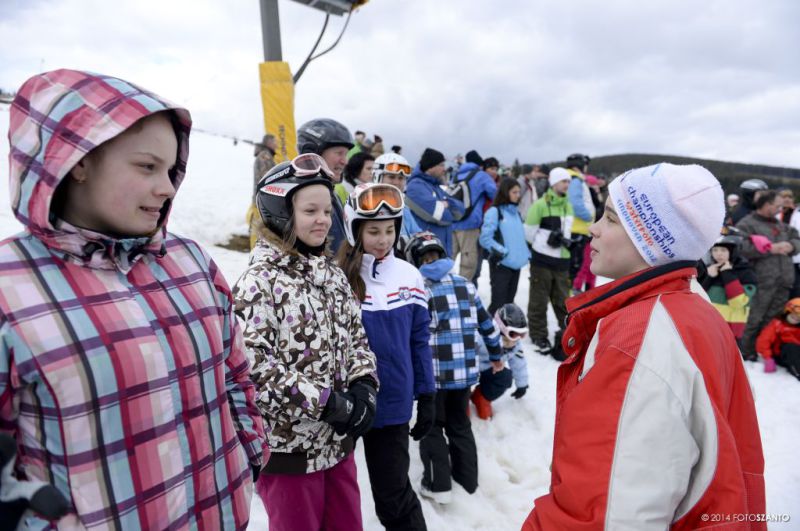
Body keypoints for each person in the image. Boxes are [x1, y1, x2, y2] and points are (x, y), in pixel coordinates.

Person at [0, 69, 267, 529]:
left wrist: (249, 452)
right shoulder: (11, 288)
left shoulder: (190, 262)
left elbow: (235, 373)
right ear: (77, 161)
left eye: (170, 169)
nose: (168, 187)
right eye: (147, 166)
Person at [523, 163, 765, 530]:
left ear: (650, 240)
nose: (594, 229)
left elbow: (608, 517)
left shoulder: (639, 342)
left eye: (611, 219)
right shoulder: (693, 306)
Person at [234, 154, 378, 530]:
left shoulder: (333, 275)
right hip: (289, 455)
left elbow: (356, 337)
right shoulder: (259, 282)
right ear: (282, 214)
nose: (323, 220)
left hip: (337, 447)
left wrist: (364, 385)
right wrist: (327, 404)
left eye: (327, 211)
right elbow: (252, 367)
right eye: (310, 211)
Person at [336, 183, 435, 530]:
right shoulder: (337, 277)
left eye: (390, 230)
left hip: (392, 405)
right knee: (337, 496)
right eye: (374, 231)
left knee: (393, 498)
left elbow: (419, 341)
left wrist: (427, 394)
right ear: (354, 230)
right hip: (345, 405)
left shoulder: (409, 276)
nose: (383, 240)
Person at [404, 232, 501, 504]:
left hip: (434, 377)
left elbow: (412, 335)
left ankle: (438, 485)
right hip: (464, 374)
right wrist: (496, 355)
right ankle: (467, 481)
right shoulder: (465, 285)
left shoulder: (419, 290)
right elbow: (487, 325)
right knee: (460, 425)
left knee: (433, 426)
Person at [735, 189, 800, 361]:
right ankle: (745, 351)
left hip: (784, 281)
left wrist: (791, 246)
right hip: (762, 281)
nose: (780, 209)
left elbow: (797, 238)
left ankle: (765, 351)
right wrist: (768, 248)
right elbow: (740, 247)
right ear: (766, 204)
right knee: (754, 317)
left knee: (773, 319)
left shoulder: (781, 225)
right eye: (777, 205)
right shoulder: (747, 224)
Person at [524, 168, 574, 355]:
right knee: (539, 299)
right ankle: (538, 335)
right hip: (542, 260)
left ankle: (568, 334)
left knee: (563, 301)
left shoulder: (568, 205)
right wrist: (543, 244)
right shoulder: (540, 205)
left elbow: (567, 231)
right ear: (554, 183)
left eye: (568, 182)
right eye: (563, 181)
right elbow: (529, 233)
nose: (567, 185)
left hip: (562, 260)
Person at [296, 118, 355, 254]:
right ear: (313, 153)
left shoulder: (331, 193)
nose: (345, 161)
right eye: (339, 153)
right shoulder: (300, 198)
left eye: (346, 154)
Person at [479, 178, 531, 314]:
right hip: (501, 265)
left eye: (519, 192)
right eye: (514, 192)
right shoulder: (495, 212)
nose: (518, 195)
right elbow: (485, 238)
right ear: (505, 192)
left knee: (508, 303)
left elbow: (518, 238)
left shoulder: (516, 213)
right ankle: (489, 327)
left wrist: (526, 254)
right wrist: (502, 252)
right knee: (498, 304)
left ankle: (504, 328)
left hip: (516, 265)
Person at [470, 304, 530, 420]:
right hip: (470, 370)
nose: (517, 338)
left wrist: (522, 385)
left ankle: (481, 396)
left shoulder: (514, 344)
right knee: (461, 408)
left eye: (521, 334)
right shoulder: (480, 337)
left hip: (490, 370)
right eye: (513, 333)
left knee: (505, 377)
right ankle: (461, 402)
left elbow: (519, 363)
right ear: (501, 328)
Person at [405, 148, 465, 257]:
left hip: (442, 249)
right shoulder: (416, 186)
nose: (444, 169)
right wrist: (446, 206)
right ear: (430, 166)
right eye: (441, 165)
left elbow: (460, 210)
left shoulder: (435, 186)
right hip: (427, 253)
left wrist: (447, 204)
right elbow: (439, 215)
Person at [700, 234, 757, 345]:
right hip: (707, 327)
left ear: (733, 252)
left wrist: (727, 274)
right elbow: (698, 299)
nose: (718, 254)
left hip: (730, 331)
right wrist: (708, 278)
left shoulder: (746, 273)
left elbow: (737, 302)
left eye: (723, 250)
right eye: (715, 250)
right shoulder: (709, 270)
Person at [451, 150, 497, 281]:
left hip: (452, 222)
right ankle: (462, 288)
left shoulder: (456, 175)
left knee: (449, 259)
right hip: (470, 224)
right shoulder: (481, 176)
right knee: (468, 262)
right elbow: (495, 194)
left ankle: (444, 286)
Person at [372, 153, 421, 250]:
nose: (396, 182)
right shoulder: (368, 206)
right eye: (391, 177)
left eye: (401, 178)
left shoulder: (404, 208)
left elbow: (417, 233)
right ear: (377, 177)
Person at [565, 153, 595, 285]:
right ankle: (567, 294)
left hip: (574, 228)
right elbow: (575, 204)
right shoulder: (575, 179)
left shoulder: (568, 178)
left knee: (572, 267)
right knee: (573, 268)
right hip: (576, 229)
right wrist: (589, 217)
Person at [756, 298, 800, 380]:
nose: (795, 319)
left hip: (796, 354)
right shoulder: (777, 325)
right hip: (782, 355)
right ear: (787, 312)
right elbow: (764, 341)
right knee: (791, 347)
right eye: (793, 315)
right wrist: (768, 358)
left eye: (798, 318)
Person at [250, 134, 279, 247]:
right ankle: (255, 253)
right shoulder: (265, 157)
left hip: (262, 200)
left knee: (259, 230)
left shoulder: (265, 155)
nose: (277, 144)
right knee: (258, 231)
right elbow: (267, 179)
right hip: (262, 201)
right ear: (269, 143)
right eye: (275, 142)